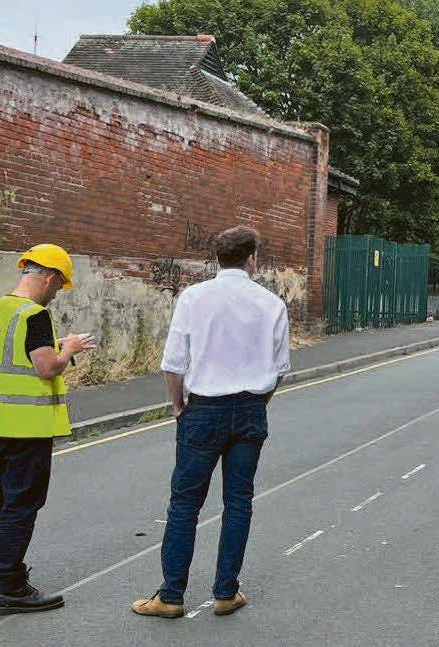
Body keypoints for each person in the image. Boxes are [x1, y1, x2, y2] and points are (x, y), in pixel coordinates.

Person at [133, 226, 290, 619]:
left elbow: (173, 364)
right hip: (251, 407)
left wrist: (178, 407)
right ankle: (225, 592)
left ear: (218, 258)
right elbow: (281, 368)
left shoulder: (194, 297)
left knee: (185, 503)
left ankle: (170, 596)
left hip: (202, 409)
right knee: (238, 502)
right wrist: (259, 401)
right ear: (252, 258)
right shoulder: (271, 303)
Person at [0, 244, 96, 614]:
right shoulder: (35, 316)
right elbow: (47, 368)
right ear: (50, 277)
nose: (57, 293)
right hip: (25, 426)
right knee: (20, 505)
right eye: (59, 286)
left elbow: (12, 360)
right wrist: (68, 347)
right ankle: (11, 588)